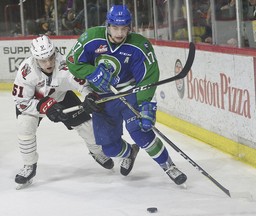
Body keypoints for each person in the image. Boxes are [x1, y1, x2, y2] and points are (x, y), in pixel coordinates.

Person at [65, 5, 187, 185]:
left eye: (124, 28)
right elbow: (72, 62)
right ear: (108, 25)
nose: (119, 33)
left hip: (130, 94)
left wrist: (146, 105)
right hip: (103, 99)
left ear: (130, 27)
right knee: (109, 148)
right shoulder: (91, 38)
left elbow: (148, 76)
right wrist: (92, 73)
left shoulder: (139, 45)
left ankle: (168, 166)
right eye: (115, 28)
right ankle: (130, 152)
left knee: (142, 134)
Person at [12, 35, 114, 189]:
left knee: (88, 126)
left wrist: (90, 96)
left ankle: (96, 152)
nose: (49, 63)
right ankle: (29, 166)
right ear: (35, 59)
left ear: (55, 52)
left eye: (51, 57)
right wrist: (45, 106)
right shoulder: (26, 71)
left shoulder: (64, 64)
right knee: (24, 127)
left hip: (61, 97)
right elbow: (21, 103)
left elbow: (82, 84)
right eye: (43, 60)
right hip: (34, 103)